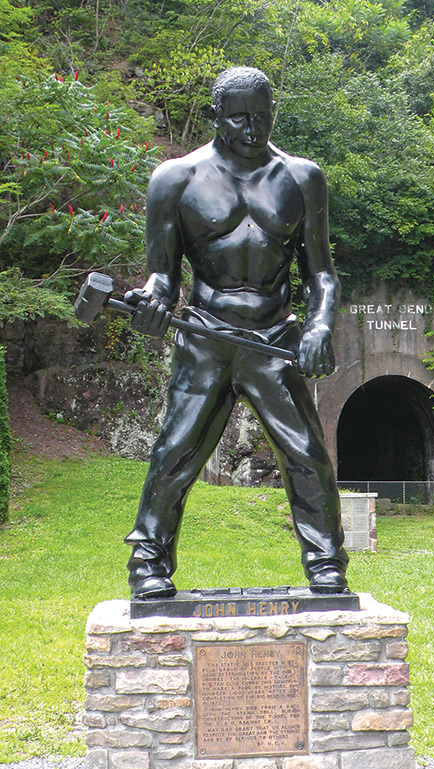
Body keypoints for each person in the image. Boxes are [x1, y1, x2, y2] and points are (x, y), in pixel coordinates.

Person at [123, 66, 348, 600]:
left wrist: (320, 326)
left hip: (274, 339)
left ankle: (326, 563)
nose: (254, 128)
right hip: (205, 336)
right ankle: (148, 561)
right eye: (241, 117)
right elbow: (163, 275)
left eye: (263, 116)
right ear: (216, 116)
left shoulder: (301, 178)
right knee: (176, 452)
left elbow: (321, 274)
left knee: (307, 454)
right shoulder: (175, 179)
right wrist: (153, 300)